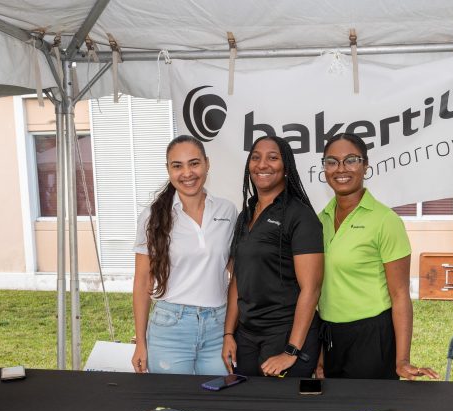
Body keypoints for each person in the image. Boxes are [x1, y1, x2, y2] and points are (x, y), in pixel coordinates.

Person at [316, 133, 439, 380]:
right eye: (332, 161)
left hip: (372, 337)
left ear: (365, 166)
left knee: (368, 406)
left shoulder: (385, 220)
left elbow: (400, 295)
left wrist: (402, 360)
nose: (341, 168)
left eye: (351, 160)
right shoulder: (320, 220)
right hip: (329, 337)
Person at [131, 135, 237, 375]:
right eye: (177, 166)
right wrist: (140, 342)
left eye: (194, 163)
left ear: (207, 164)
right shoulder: (152, 217)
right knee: (173, 399)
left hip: (218, 328)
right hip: (170, 328)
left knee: (218, 397)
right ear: (168, 169)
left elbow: (235, 272)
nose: (187, 173)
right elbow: (142, 281)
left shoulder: (227, 210)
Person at [221, 135, 323, 377]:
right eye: (255, 158)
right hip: (247, 337)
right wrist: (228, 334)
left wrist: (291, 350)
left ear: (286, 167)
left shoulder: (300, 216)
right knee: (246, 400)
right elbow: (237, 279)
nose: (262, 164)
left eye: (273, 158)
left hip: (286, 334)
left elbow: (311, 289)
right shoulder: (246, 215)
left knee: (280, 403)